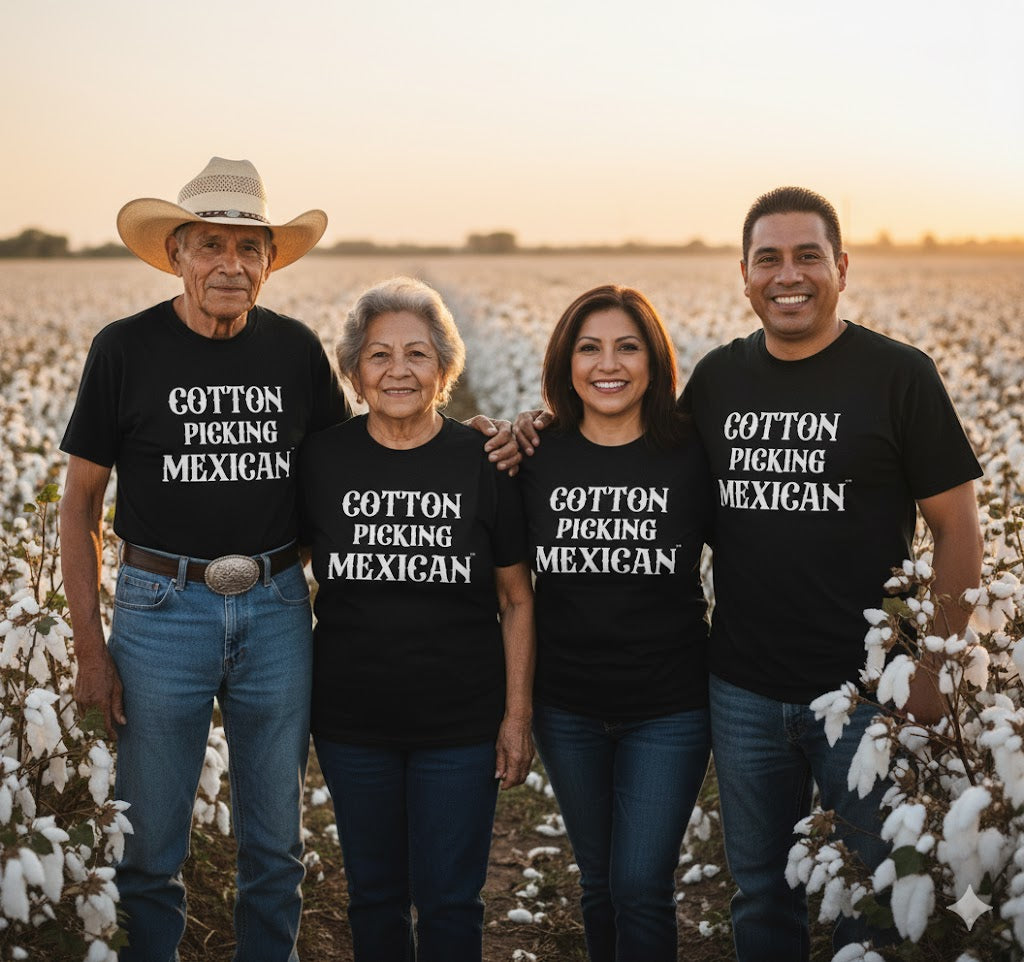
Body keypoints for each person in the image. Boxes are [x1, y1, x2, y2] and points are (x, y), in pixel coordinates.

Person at [59, 159, 518, 962]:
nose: (230, 264)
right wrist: (91, 649)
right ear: (176, 252)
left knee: (275, 850)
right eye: (211, 244)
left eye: (250, 247)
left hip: (275, 608)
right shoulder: (125, 349)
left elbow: (362, 455)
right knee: (150, 849)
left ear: (271, 261)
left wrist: (469, 440)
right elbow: (79, 505)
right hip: (160, 610)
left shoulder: (296, 350)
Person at [515, 187, 983, 962]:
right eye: (769, 259)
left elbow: (958, 529)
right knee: (763, 889)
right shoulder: (719, 380)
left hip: (868, 694)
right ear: (744, 274)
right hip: (742, 690)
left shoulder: (899, 375)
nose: (787, 275)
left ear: (841, 267)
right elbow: (635, 453)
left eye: (807, 256)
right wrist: (534, 428)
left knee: (870, 890)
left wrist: (931, 672)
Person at [297, 276, 535, 962]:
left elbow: (517, 598)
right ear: (353, 372)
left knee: (451, 901)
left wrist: (516, 718)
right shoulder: (321, 459)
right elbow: (289, 561)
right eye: (378, 355)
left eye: (417, 354)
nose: (397, 370)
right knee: (373, 896)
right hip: (352, 724)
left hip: (460, 725)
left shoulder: (485, 462)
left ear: (445, 371)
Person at [516, 285, 712, 962]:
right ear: (564, 362)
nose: (608, 364)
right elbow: (511, 588)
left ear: (654, 361)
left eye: (628, 347)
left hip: (670, 708)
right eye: (589, 348)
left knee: (640, 885)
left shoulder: (693, 453)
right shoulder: (533, 455)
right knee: (598, 885)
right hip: (566, 707)